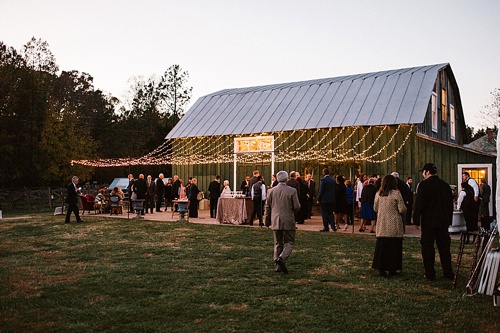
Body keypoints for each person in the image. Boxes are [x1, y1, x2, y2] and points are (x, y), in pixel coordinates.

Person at [413, 163, 454, 281]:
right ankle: (448, 271)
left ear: (426, 172)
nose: (422, 175)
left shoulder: (423, 185)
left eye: (423, 172)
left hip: (428, 221)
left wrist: (416, 220)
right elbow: (449, 205)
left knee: (427, 247)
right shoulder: (445, 186)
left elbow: (419, 204)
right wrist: (449, 219)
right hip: (443, 221)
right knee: (444, 247)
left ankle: (430, 273)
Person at [264, 171, 300, 274]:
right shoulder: (292, 191)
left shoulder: (271, 191)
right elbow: (297, 206)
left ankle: (277, 265)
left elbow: (267, 208)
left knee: (277, 243)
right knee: (289, 241)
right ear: (286, 179)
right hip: (288, 219)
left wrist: (266, 221)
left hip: (275, 219)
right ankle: (282, 258)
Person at [372, 175, 407, 276]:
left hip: (382, 224)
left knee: (382, 247)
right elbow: (402, 209)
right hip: (394, 224)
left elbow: (375, 208)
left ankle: (381, 267)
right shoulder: (396, 194)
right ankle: (393, 268)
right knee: (394, 247)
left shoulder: (378, 194)